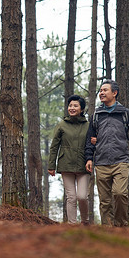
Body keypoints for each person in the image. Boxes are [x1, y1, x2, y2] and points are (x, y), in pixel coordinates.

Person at [85, 79, 129, 227]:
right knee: (105, 201)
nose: (101, 93)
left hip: (121, 161)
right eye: (100, 90)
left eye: (105, 90)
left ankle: (121, 226)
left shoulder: (124, 113)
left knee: (119, 194)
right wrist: (89, 158)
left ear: (114, 93)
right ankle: (108, 229)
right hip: (101, 162)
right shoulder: (96, 115)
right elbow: (89, 139)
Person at [48, 95, 91, 225]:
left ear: (82, 109)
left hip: (84, 165)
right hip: (66, 164)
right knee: (71, 197)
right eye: (70, 105)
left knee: (82, 197)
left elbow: (92, 144)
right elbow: (54, 146)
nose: (72, 108)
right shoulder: (62, 125)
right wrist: (51, 165)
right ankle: (72, 225)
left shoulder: (88, 125)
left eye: (75, 106)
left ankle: (85, 222)